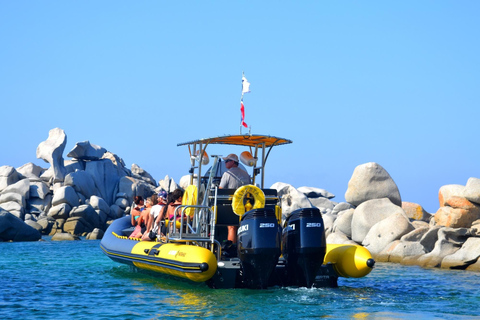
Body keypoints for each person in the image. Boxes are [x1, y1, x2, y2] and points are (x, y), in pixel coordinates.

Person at [219, 153, 251, 244]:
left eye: (227, 161)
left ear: (233, 162)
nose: (225, 163)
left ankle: (231, 248)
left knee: (231, 227)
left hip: (232, 205)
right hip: (246, 206)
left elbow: (221, 191)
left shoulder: (227, 174)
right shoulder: (246, 174)